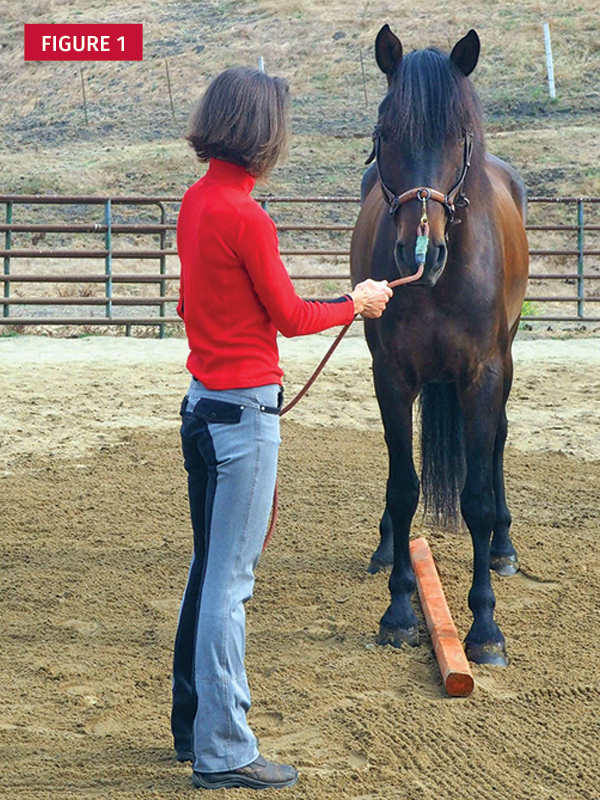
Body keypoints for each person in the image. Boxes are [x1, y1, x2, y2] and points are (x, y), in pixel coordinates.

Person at [172, 66, 392, 791]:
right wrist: (356, 300)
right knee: (230, 584)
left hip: (202, 406)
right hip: (242, 421)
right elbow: (293, 318)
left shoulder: (197, 201)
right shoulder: (246, 215)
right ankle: (225, 749)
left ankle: (190, 727)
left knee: (207, 571)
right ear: (262, 133)